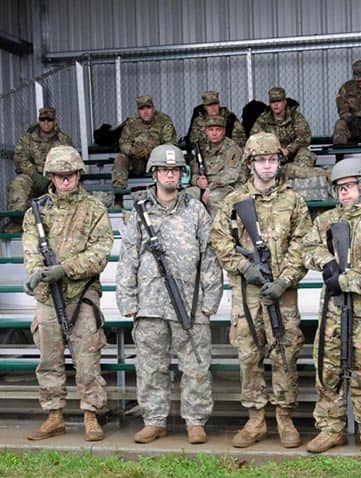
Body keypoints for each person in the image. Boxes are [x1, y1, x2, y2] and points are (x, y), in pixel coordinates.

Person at [210, 132, 311, 449]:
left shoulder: (294, 201)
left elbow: (304, 244)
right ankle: (255, 420)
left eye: (272, 160)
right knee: (249, 357)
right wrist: (246, 269)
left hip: (283, 291)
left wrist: (284, 279)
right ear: (250, 164)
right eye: (261, 160)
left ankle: (284, 417)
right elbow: (220, 243)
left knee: (285, 353)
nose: (267, 166)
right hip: (247, 293)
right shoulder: (234, 202)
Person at [116, 144, 223, 445]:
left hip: (190, 305)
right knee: (151, 367)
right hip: (150, 304)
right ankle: (154, 420)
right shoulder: (138, 212)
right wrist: (128, 300)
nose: (170, 175)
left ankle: (195, 421)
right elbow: (128, 258)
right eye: (164, 169)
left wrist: (210, 301)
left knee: (196, 366)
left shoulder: (196, 210)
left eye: (175, 170)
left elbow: (209, 256)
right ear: (154, 173)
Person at [302, 157, 361, 456]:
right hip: (332, 311)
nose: (344, 193)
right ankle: (331, 428)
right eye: (339, 188)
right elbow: (308, 247)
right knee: (328, 370)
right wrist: (326, 262)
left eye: (350, 187)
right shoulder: (327, 220)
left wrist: (342, 280)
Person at [22, 145, 113, 442]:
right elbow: (30, 248)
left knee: (87, 359)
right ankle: (54, 415)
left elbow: (100, 252)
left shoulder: (94, 208)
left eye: (71, 175)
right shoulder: (37, 210)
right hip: (49, 296)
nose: (66, 181)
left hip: (82, 293)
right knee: (49, 360)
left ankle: (90, 414)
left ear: (78, 174)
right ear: (50, 175)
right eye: (60, 175)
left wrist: (66, 269)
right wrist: (38, 271)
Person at [6, 107, 73, 232]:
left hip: (55, 179)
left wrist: (53, 177)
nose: (46, 123)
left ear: (55, 121)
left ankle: (65, 224)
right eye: (43, 119)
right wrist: (34, 174)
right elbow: (20, 158)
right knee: (19, 183)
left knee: (68, 185)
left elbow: (70, 160)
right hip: (33, 178)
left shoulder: (63, 140)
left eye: (49, 120)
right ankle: (18, 221)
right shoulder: (28, 138)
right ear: (39, 121)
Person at [111, 95, 177, 207]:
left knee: (169, 161)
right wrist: (133, 150)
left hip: (157, 162)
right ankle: (118, 198)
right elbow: (123, 143)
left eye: (148, 108)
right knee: (120, 159)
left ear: (153, 108)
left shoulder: (163, 120)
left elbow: (170, 144)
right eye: (142, 109)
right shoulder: (132, 123)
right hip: (138, 162)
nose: (145, 111)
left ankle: (165, 200)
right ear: (138, 110)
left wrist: (152, 151)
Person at [186, 114, 246, 216]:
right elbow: (193, 172)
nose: (214, 133)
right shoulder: (201, 148)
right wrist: (197, 181)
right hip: (206, 186)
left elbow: (230, 176)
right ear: (206, 132)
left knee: (213, 199)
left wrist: (209, 188)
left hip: (228, 186)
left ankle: (216, 230)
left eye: (218, 130)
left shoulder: (232, 148)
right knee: (186, 196)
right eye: (211, 130)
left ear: (224, 131)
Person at [250, 87, 317, 169]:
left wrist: (289, 149)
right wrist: (271, 149)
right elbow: (254, 138)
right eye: (273, 102)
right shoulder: (263, 119)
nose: (276, 105)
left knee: (305, 155)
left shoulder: (295, 117)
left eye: (279, 101)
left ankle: (296, 176)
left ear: (285, 102)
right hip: (271, 156)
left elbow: (305, 136)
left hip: (293, 155)